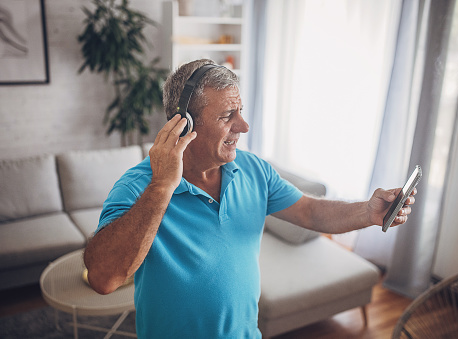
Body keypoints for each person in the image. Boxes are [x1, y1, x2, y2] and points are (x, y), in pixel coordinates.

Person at [84, 59, 417, 338]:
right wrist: (161, 188)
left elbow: (310, 212)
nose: (243, 125)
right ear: (183, 124)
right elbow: (103, 277)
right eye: (227, 115)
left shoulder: (254, 169)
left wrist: (368, 212)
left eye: (240, 110)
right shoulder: (138, 187)